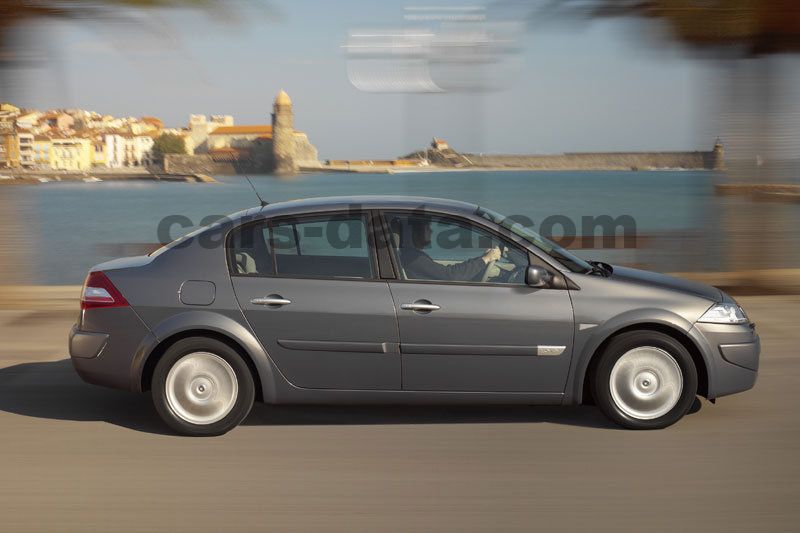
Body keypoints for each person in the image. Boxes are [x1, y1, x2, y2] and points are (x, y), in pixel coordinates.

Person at [396, 217, 502, 282]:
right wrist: (485, 259)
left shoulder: (411, 256)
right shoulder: (413, 258)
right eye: (427, 227)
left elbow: (446, 272)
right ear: (416, 232)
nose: (431, 231)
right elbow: (451, 276)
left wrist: (483, 259)